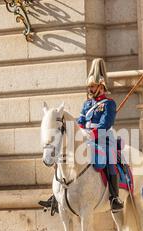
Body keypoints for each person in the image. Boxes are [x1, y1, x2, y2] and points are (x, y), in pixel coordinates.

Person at [39, 58, 124, 213]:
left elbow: (105, 124)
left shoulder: (109, 104)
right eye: (89, 87)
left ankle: (114, 197)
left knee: (109, 159)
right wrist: (79, 130)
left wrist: (90, 133)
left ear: (101, 86)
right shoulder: (87, 104)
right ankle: (57, 196)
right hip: (85, 138)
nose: (90, 89)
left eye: (92, 86)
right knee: (63, 156)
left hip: (103, 139)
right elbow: (81, 120)